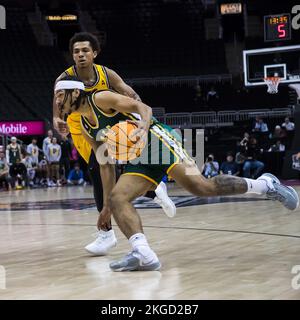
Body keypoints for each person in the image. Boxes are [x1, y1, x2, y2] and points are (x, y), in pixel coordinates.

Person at [54, 77, 299, 271]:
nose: (57, 103)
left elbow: (143, 107)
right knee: (118, 199)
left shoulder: (101, 98)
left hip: (159, 138)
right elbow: (105, 164)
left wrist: (143, 124)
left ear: (75, 92)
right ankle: (143, 254)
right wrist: (105, 207)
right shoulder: (83, 125)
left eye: (59, 96)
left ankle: (266, 185)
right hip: (139, 157)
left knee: (201, 187)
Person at [53, 32, 175, 256]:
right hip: (81, 123)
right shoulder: (64, 78)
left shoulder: (106, 74)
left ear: (94, 53)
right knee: (97, 169)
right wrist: (58, 121)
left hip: (109, 119)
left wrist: (140, 119)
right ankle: (151, 191)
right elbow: (58, 105)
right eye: (76, 51)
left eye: (85, 50)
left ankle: (111, 229)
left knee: (103, 170)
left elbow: (131, 94)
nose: (80, 55)